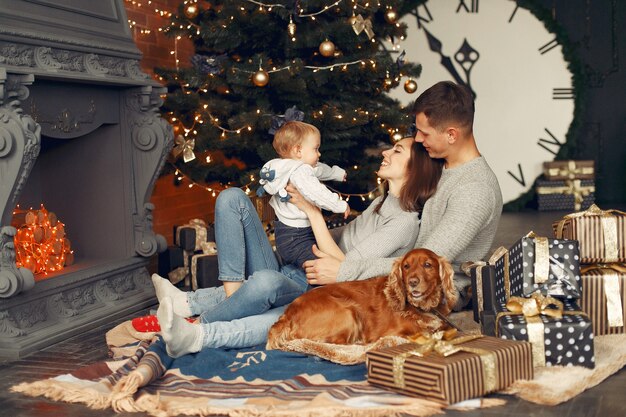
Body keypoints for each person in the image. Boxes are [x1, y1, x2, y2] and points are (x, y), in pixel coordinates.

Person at [152, 136, 444, 357]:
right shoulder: (381, 203)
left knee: (267, 289)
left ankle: (197, 332)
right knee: (231, 198)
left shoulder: (405, 222)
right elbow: (340, 237)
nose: (385, 152)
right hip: (295, 270)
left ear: (414, 168)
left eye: (397, 151)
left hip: (318, 290)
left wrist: (313, 211)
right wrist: (294, 221)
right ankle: (187, 303)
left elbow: (346, 270)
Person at [299, 81, 503, 310]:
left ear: (452, 135)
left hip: (428, 290)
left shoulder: (475, 189)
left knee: (305, 303)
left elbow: (424, 262)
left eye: (424, 133)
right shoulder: (442, 166)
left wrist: (344, 270)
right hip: (398, 271)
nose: (417, 139)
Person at [257, 120, 349, 273]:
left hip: (288, 234)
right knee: (322, 269)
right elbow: (317, 193)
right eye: (316, 149)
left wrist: (336, 173)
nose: (319, 153)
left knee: (319, 266)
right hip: (297, 238)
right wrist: (339, 204)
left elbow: (319, 170)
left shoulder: (289, 166)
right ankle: (314, 295)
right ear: (298, 151)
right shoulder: (300, 172)